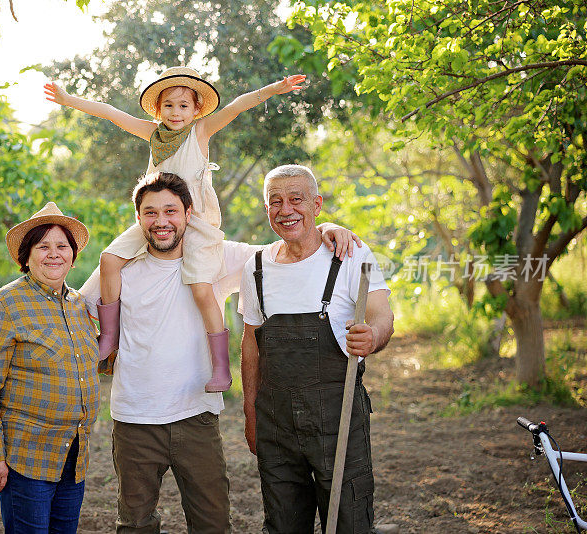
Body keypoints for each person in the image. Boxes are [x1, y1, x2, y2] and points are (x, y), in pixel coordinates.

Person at [80, 171, 360, 533]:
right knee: (134, 523)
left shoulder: (217, 257)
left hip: (196, 415)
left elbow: (284, 247)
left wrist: (327, 228)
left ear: (188, 213)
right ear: (138, 220)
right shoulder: (119, 266)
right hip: (134, 417)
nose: (162, 222)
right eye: (150, 213)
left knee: (212, 523)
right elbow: (80, 310)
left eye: (171, 211)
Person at [45, 66, 306, 393]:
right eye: (168, 105)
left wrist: (272, 88)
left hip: (193, 223)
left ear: (196, 109)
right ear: (158, 109)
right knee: (109, 259)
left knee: (201, 288)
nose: (176, 112)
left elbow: (238, 106)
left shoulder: (200, 132)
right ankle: (109, 338)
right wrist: (67, 99)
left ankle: (222, 368)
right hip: (155, 220)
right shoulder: (153, 134)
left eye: (184, 105)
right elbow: (111, 113)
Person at [239, 164, 396, 534]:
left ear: (317, 204)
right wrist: (250, 414)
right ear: (267, 211)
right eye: (275, 201)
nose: (286, 209)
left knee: (349, 522)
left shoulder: (351, 254)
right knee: (282, 523)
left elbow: (382, 315)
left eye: (297, 199)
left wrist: (372, 336)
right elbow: (251, 344)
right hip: (276, 424)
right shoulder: (256, 267)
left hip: (338, 419)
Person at [0, 201, 99, 534]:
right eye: (43, 247)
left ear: (72, 254)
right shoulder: (6, 303)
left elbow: (91, 364)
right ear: (26, 256)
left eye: (62, 246)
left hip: (73, 456)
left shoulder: (79, 305)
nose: (54, 254)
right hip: (26, 459)